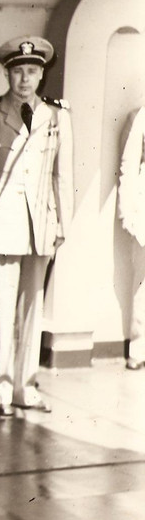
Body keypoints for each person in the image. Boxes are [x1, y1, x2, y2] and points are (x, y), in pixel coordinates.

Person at [0, 36, 73, 413]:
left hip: (40, 228)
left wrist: (63, 225)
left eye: (32, 71)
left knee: (32, 312)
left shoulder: (57, 116)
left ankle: (26, 388)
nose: (25, 79)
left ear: (42, 74)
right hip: (0, 227)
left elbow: (63, 174)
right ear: (8, 74)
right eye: (18, 71)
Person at [119, 105, 145, 371]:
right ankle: (138, 350)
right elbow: (129, 163)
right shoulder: (142, 115)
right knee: (142, 281)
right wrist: (126, 211)